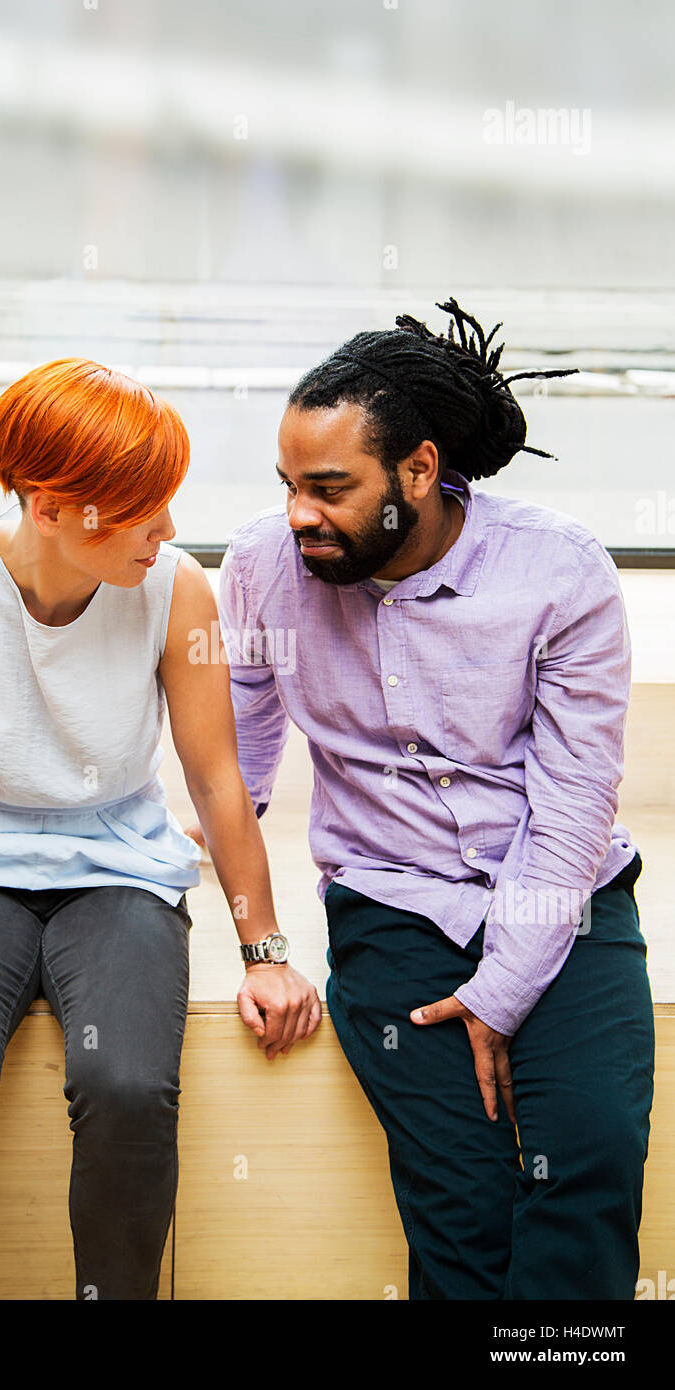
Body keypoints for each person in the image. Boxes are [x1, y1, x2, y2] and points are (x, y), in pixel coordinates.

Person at [0, 357, 321, 1301]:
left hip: (121, 870)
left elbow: (218, 781)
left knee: (130, 1092)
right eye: (144, 510)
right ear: (52, 508)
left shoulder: (175, 591)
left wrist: (265, 950)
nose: (169, 531)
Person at [189, 297, 655, 1300]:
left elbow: (571, 803)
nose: (297, 514)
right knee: (462, 1199)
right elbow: (245, 728)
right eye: (286, 485)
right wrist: (217, 828)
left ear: (417, 470)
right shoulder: (267, 567)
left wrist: (500, 991)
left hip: (559, 890)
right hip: (391, 900)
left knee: (588, 1165)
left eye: (327, 488)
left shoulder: (555, 569)